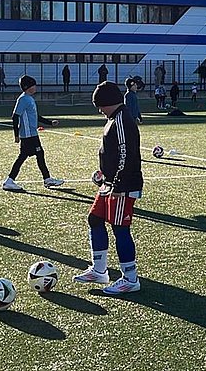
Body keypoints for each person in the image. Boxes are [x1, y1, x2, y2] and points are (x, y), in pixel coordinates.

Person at [73, 81, 143, 294]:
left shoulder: (122, 120)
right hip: (110, 183)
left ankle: (130, 278)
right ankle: (99, 269)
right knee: (94, 219)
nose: (99, 109)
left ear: (109, 102)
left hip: (122, 185)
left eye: (100, 105)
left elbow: (126, 153)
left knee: (120, 228)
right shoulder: (114, 118)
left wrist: (119, 182)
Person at [2, 76, 64, 191]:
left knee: (30, 156)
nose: (35, 87)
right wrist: (16, 135)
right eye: (33, 85)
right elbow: (15, 116)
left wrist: (50, 122)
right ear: (27, 87)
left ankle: (11, 180)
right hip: (28, 135)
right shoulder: (23, 99)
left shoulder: (29, 99)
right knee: (36, 155)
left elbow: (35, 116)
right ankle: (46, 179)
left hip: (32, 133)